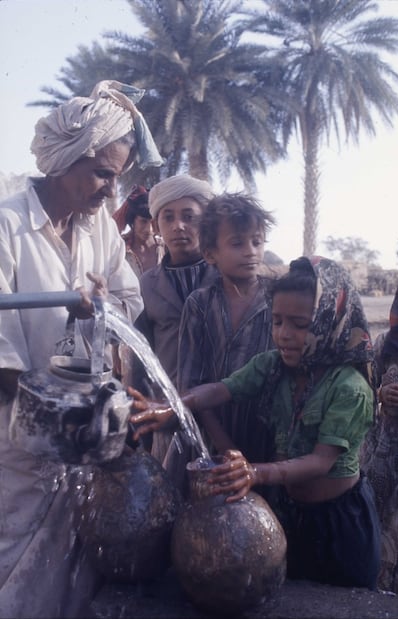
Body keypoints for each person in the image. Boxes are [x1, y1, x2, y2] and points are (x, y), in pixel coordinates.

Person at [0, 79, 163, 618]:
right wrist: (49, 411)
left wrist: (100, 307)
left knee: (69, 569)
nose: (109, 194)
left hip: (77, 435)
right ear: (64, 161)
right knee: (11, 555)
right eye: (102, 175)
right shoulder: (6, 221)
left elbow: (127, 298)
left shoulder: (99, 230)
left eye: (114, 179)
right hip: (12, 441)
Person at [129, 256, 381, 590]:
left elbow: (321, 462)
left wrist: (254, 473)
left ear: (329, 320)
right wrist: (174, 406)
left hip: (339, 524)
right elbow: (222, 389)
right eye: (276, 322)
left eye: (299, 324)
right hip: (289, 513)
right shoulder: (274, 365)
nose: (284, 335)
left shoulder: (349, 388)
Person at [177, 192, 276, 466]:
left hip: (272, 441)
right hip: (211, 441)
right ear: (210, 254)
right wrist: (226, 447)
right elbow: (190, 383)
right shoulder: (200, 304)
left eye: (257, 242)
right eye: (237, 243)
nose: (250, 251)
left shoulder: (277, 298)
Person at [135, 174, 218, 462]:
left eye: (188, 216)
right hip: (165, 420)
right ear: (157, 225)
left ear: (206, 222)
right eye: (167, 217)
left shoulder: (225, 278)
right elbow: (139, 356)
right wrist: (139, 422)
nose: (178, 226)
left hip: (221, 419)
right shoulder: (146, 285)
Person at [360, 264, 398, 596]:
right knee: (386, 538)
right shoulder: (387, 344)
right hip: (387, 463)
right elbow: (362, 390)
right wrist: (381, 394)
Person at [113, 185, 164, 278]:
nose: (149, 229)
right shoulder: (118, 248)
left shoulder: (165, 248)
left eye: (152, 222)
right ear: (132, 221)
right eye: (143, 221)